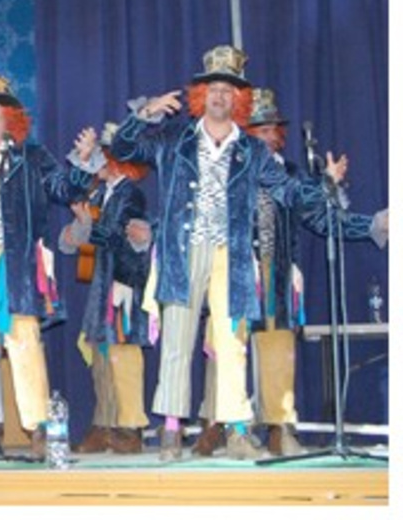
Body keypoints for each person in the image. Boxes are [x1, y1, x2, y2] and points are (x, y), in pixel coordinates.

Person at [111, 45, 345, 461]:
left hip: (231, 255)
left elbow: (289, 191)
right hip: (184, 253)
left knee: (231, 341)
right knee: (178, 340)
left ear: (239, 99)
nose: (220, 97)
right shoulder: (175, 138)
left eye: (228, 91)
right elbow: (126, 149)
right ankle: (170, 431)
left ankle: (237, 428)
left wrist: (323, 183)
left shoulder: (252, 150)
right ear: (202, 95)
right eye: (213, 89)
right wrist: (144, 113)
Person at [190, 88, 388, 457]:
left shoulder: (292, 176)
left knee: (279, 349)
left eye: (271, 130)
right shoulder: (230, 167)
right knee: (227, 348)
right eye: (258, 129)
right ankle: (223, 427)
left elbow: (323, 219)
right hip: (234, 271)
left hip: (277, 273)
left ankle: (281, 428)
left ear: (280, 135)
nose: (266, 136)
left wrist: (375, 225)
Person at [0, 71, 96, 460]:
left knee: (24, 342)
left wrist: (83, 163)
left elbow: (64, 190)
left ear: (9, 116)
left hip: (14, 261)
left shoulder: (32, 157)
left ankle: (39, 432)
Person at [57, 122, 152, 455]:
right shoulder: (99, 194)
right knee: (101, 355)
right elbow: (78, 240)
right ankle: (105, 421)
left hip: (124, 282)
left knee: (123, 354)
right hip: (102, 285)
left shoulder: (131, 193)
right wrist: (73, 234)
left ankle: (130, 425)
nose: (98, 163)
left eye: (104, 157)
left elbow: (116, 235)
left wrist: (88, 227)